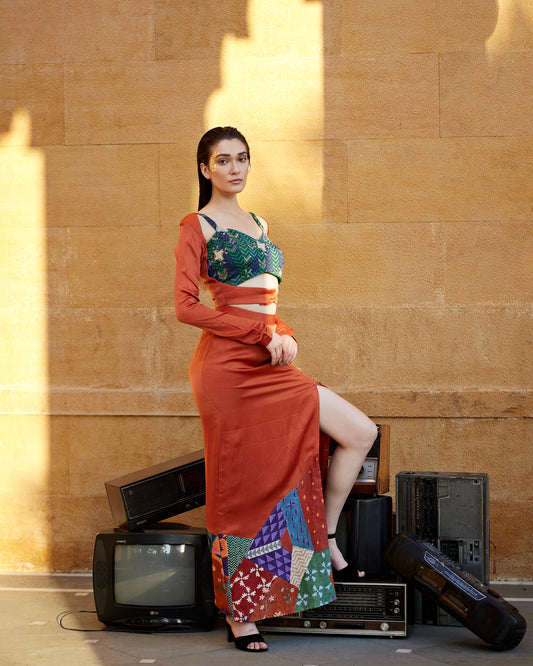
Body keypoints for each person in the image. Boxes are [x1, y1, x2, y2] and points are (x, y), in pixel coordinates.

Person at [174, 126, 377, 652]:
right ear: (205, 169)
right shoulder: (196, 225)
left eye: (242, 159)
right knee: (239, 486)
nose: (235, 169)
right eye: (223, 161)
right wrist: (260, 333)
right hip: (227, 372)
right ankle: (240, 613)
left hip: (268, 360)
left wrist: (280, 331)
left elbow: (266, 304)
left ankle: (326, 536)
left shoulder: (260, 223)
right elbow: (186, 307)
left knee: (358, 432)